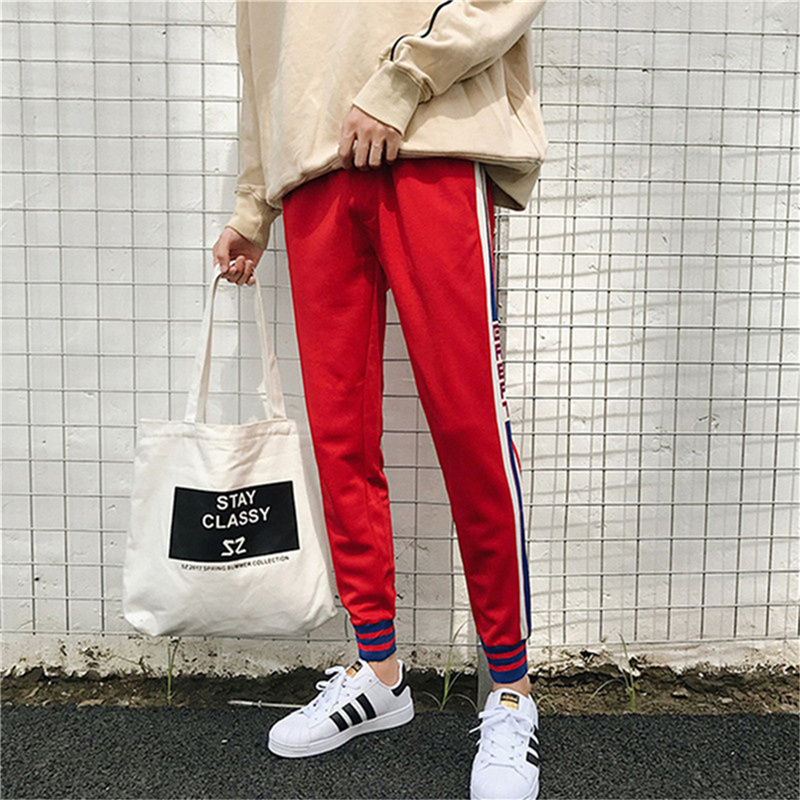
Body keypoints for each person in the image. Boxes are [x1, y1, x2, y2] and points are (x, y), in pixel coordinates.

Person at [212, 2, 548, 798]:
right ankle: (378, 673)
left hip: (429, 142)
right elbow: (265, 62)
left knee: (470, 428)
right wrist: (252, 205)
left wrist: (404, 81)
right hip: (312, 172)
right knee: (340, 439)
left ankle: (510, 688)